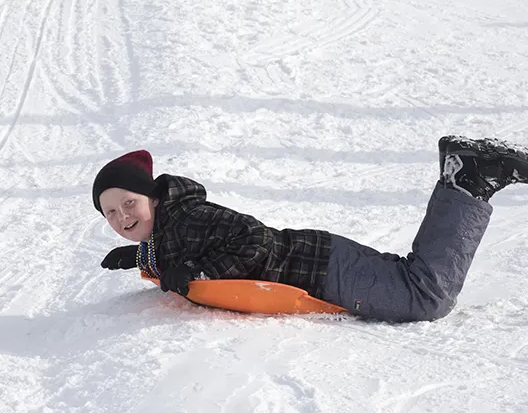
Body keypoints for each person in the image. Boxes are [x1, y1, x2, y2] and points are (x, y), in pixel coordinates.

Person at [92, 136, 528, 322]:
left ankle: (469, 179)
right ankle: (460, 172)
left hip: (318, 268)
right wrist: (140, 257)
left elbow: (253, 237)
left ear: (152, 198)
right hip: (321, 260)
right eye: (110, 213)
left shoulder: (187, 216)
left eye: (128, 204)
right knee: (409, 284)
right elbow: (192, 249)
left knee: (425, 298)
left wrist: (198, 272)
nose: (122, 217)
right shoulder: (167, 230)